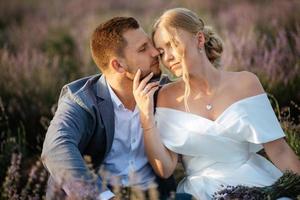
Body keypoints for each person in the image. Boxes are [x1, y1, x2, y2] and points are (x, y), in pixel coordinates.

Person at [133, 8, 300, 200]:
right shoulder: (164, 97)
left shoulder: (246, 83)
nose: (167, 57)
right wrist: (146, 117)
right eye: (161, 52)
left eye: (173, 44)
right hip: (199, 191)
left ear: (200, 39)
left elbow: (278, 149)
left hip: (257, 184)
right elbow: (164, 169)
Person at [41, 16, 179, 200]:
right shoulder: (81, 99)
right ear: (118, 65)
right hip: (103, 192)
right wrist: (104, 197)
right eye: (143, 49)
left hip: (155, 193)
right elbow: (56, 148)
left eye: (150, 44)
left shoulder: (165, 92)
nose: (156, 52)